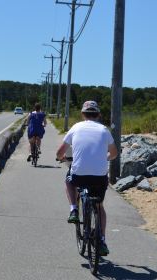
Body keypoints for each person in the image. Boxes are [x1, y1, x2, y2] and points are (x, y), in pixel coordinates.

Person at [56, 100, 118, 256]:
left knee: (69, 182)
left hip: (79, 175)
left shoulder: (76, 127)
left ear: (82, 114)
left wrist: (62, 158)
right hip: (99, 177)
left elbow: (59, 152)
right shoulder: (105, 130)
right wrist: (105, 157)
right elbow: (114, 153)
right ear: (98, 114)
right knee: (99, 206)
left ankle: (74, 210)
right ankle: (102, 240)